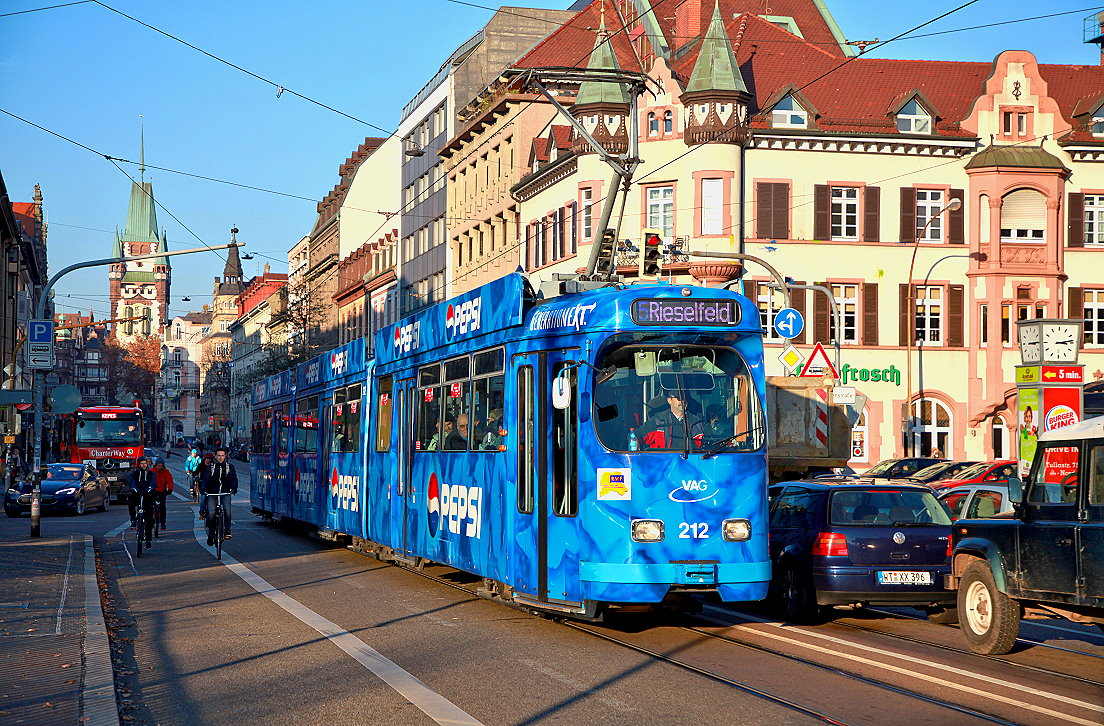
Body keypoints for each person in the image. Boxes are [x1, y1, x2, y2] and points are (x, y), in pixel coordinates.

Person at [640, 390, 705, 451]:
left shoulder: (697, 423)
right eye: (679, 398)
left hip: (691, 461)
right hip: (665, 461)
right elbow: (637, 436)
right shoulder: (658, 421)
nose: (682, 401)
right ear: (669, 400)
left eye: (685, 398)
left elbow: (708, 443)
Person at [199, 447, 238, 545]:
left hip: (225, 492)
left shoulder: (230, 467)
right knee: (211, 513)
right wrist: (203, 489)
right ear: (215, 456)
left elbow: (233, 478)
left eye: (222, 455)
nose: (220, 458)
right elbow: (206, 479)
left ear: (225, 456)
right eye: (219, 455)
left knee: (227, 511)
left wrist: (234, 488)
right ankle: (211, 534)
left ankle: (227, 530)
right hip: (212, 492)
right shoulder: (211, 467)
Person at [127, 457, 158, 547]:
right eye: (142, 463)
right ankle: (133, 519)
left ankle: (148, 539)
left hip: (147, 494)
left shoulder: (151, 473)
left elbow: (153, 482)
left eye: (145, 463)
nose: (144, 465)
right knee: (131, 503)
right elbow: (132, 481)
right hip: (138, 493)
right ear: (139, 464)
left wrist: (149, 489)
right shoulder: (135, 473)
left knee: (148, 518)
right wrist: (135, 489)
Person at [152, 459, 173, 529]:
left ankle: (163, 523)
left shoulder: (166, 472)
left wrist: (170, 489)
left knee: (162, 507)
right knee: (150, 506)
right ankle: (151, 521)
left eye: (161, 466)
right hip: (153, 491)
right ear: (156, 465)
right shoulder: (152, 471)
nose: (160, 467)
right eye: (158, 465)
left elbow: (169, 480)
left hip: (162, 491)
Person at [195, 451, 214, 517]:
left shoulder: (214, 465)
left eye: (210, 459)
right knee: (203, 499)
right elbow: (196, 472)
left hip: (212, 485)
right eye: (207, 458)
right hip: (203, 484)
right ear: (205, 459)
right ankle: (202, 512)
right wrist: (197, 477)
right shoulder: (201, 465)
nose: (209, 460)